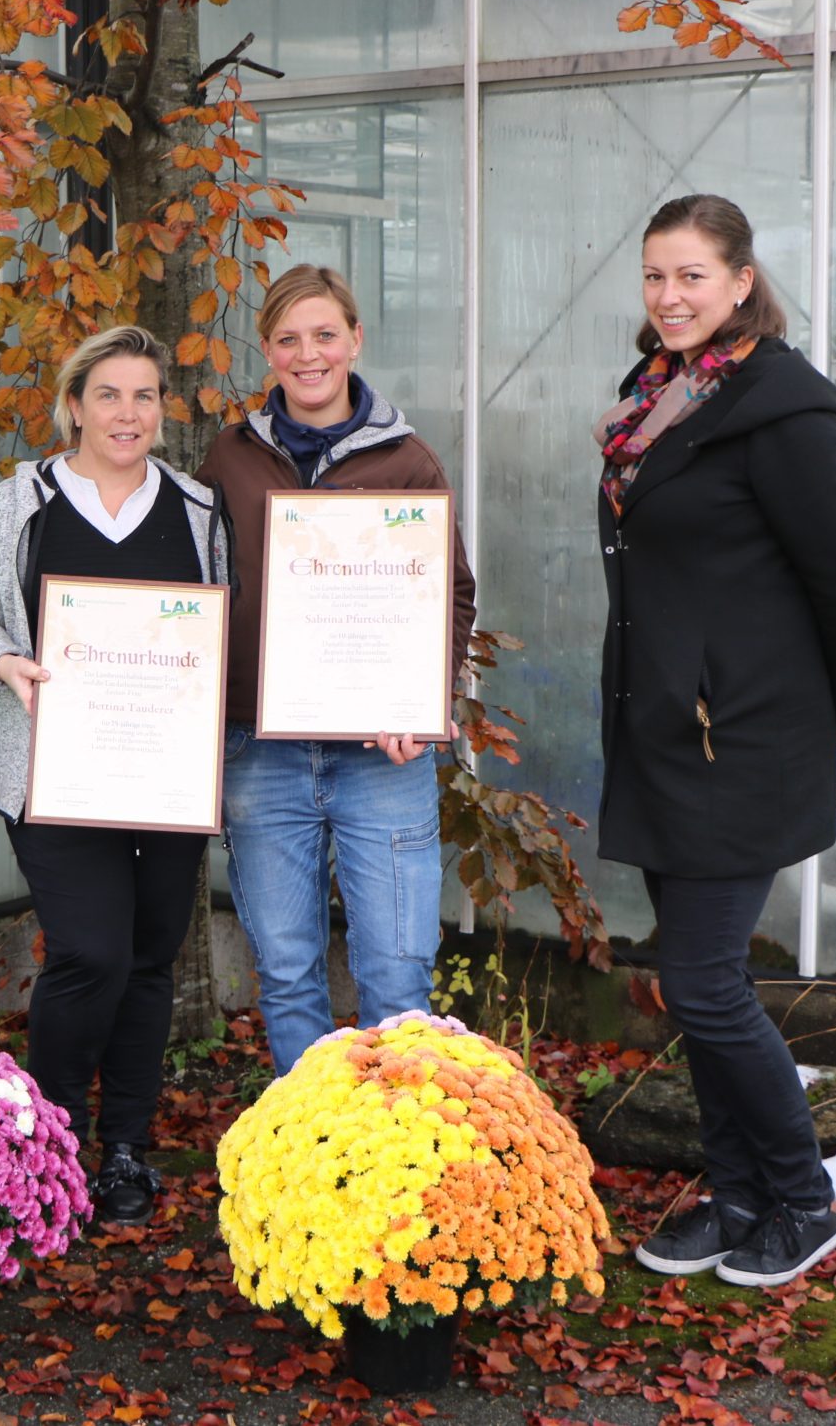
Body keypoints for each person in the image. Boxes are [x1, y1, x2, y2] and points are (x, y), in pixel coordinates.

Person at [600, 194, 836, 1291]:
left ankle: (803, 1201)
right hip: (667, 726)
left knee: (704, 979)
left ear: (740, 280)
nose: (670, 296)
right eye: (654, 275)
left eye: (691, 276)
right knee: (696, 983)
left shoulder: (780, 406)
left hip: (746, 732)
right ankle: (734, 1195)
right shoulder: (660, 391)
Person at [0, 325, 232, 1225]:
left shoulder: (196, 507)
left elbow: (218, 626)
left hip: (166, 775)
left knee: (148, 958)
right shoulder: (19, 503)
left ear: (162, 409)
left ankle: (125, 1149)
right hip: (55, 773)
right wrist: (5, 664)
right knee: (90, 952)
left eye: (144, 395)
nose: (127, 412)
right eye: (108, 394)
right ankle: (54, 1142)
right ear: (74, 405)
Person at [197, 265, 477, 1075]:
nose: (308, 354)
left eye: (325, 334)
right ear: (267, 350)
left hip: (380, 756)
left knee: (396, 976)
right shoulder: (232, 457)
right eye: (288, 338)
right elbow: (205, 587)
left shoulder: (407, 460)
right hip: (261, 749)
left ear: (356, 339)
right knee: (288, 974)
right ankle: (312, 1139)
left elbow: (451, 594)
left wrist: (422, 697)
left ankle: (395, 1145)